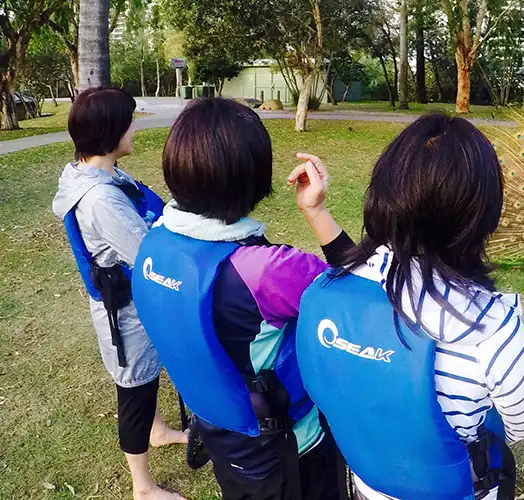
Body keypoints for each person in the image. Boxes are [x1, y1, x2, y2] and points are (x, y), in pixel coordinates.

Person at [295, 114, 524, 500]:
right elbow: (522, 428)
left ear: (384, 193)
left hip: (368, 484)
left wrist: (316, 211)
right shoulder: (492, 329)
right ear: (482, 218)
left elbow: (357, 270)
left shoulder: (324, 297)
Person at [131, 98, 351, 500]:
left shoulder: (154, 246)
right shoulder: (270, 271)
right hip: (290, 451)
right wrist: (316, 211)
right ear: (254, 176)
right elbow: (358, 297)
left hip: (221, 436)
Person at [51, 87, 187, 500]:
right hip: (125, 312)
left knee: (145, 377)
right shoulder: (100, 199)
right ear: (111, 132)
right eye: (129, 122)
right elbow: (145, 255)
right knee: (134, 390)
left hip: (131, 302)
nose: (134, 129)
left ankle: (157, 431)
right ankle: (142, 487)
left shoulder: (98, 173)